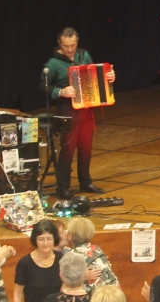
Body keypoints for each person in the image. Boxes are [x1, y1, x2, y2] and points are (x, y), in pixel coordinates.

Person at [41, 27, 116, 198]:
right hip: (67, 109)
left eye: (73, 45)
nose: (69, 49)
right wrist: (61, 91)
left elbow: (95, 77)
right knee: (68, 148)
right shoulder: (53, 63)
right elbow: (43, 87)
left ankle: (85, 181)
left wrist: (109, 76)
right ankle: (63, 187)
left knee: (86, 147)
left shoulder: (84, 56)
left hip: (86, 108)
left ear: (77, 42)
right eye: (66, 46)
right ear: (59, 44)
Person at [66, 216, 117, 289]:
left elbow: (69, 282)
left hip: (95, 293)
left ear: (71, 235)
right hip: (112, 290)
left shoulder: (72, 255)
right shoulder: (97, 249)